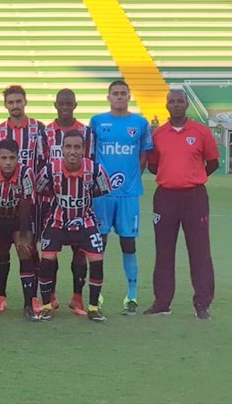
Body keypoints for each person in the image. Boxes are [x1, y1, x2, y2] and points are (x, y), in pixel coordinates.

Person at [145, 89, 219, 319]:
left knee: (199, 251)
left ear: (186, 105)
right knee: (164, 251)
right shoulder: (158, 135)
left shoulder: (201, 132)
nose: (176, 105)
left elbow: (213, 162)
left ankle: (202, 303)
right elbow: (153, 165)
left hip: (194, 198)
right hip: (166, 197)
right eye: (172, 101)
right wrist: (172, 177)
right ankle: (162, 302)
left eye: (180, 101)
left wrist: (194, 177)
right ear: (166, 105)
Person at [89, 80, 153, 315]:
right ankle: (98, 294)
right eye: (115, 93)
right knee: (99, 244)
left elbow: (144, 158)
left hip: (129, 195)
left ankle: (132, 296)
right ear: (108, 97)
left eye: (123, 93)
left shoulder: (140, 123)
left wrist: (130, 181)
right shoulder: (97, 122)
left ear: (129, 96)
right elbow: (91, 155)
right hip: (102, 195)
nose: (119, 97)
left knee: (129, 243)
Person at [36, 130, 112, 322]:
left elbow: (104, 188)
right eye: (68, 147)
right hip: (57, 221)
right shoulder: (50, 169)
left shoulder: (95, 169)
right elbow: (39, 187)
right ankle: (46, 306)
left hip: (85, 220)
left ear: (83, 149)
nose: (72, 151)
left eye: (77, 147)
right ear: (61, 149)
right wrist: (58, 196)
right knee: (47, 258)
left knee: (96, 260)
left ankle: (93, 308)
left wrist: (81, 199)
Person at [0, 85, 47, 313]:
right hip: (5, 201)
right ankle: (0, 296)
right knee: (2, 248)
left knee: (29, 248)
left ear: (25, 101)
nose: (15, 106)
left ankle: (33, 297)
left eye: (19, 101)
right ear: (6, 105)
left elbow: (44, 162)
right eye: (11, 102)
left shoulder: (38, 128)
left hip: (31, 201)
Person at [42, 89, 94, 316]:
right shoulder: (45, 133)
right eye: (61, 103)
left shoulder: (87, 132)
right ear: (55, 105)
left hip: (81, 204)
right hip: (53, 204)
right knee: (50, 250)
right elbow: (41, 163)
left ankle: (77, 297)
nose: (65, 106)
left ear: (75, 104)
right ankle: (51, 294)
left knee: (79, 251)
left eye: (69, 103)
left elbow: (91, 164)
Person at [0, 139, 39, 322]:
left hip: (18, 219)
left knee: (24, 248)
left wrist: (22, 234)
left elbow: (26, 204)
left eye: (12, 158)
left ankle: (29, 304)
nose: (8, 162)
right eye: (3, 158)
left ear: (18, 158)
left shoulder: (26, 172)